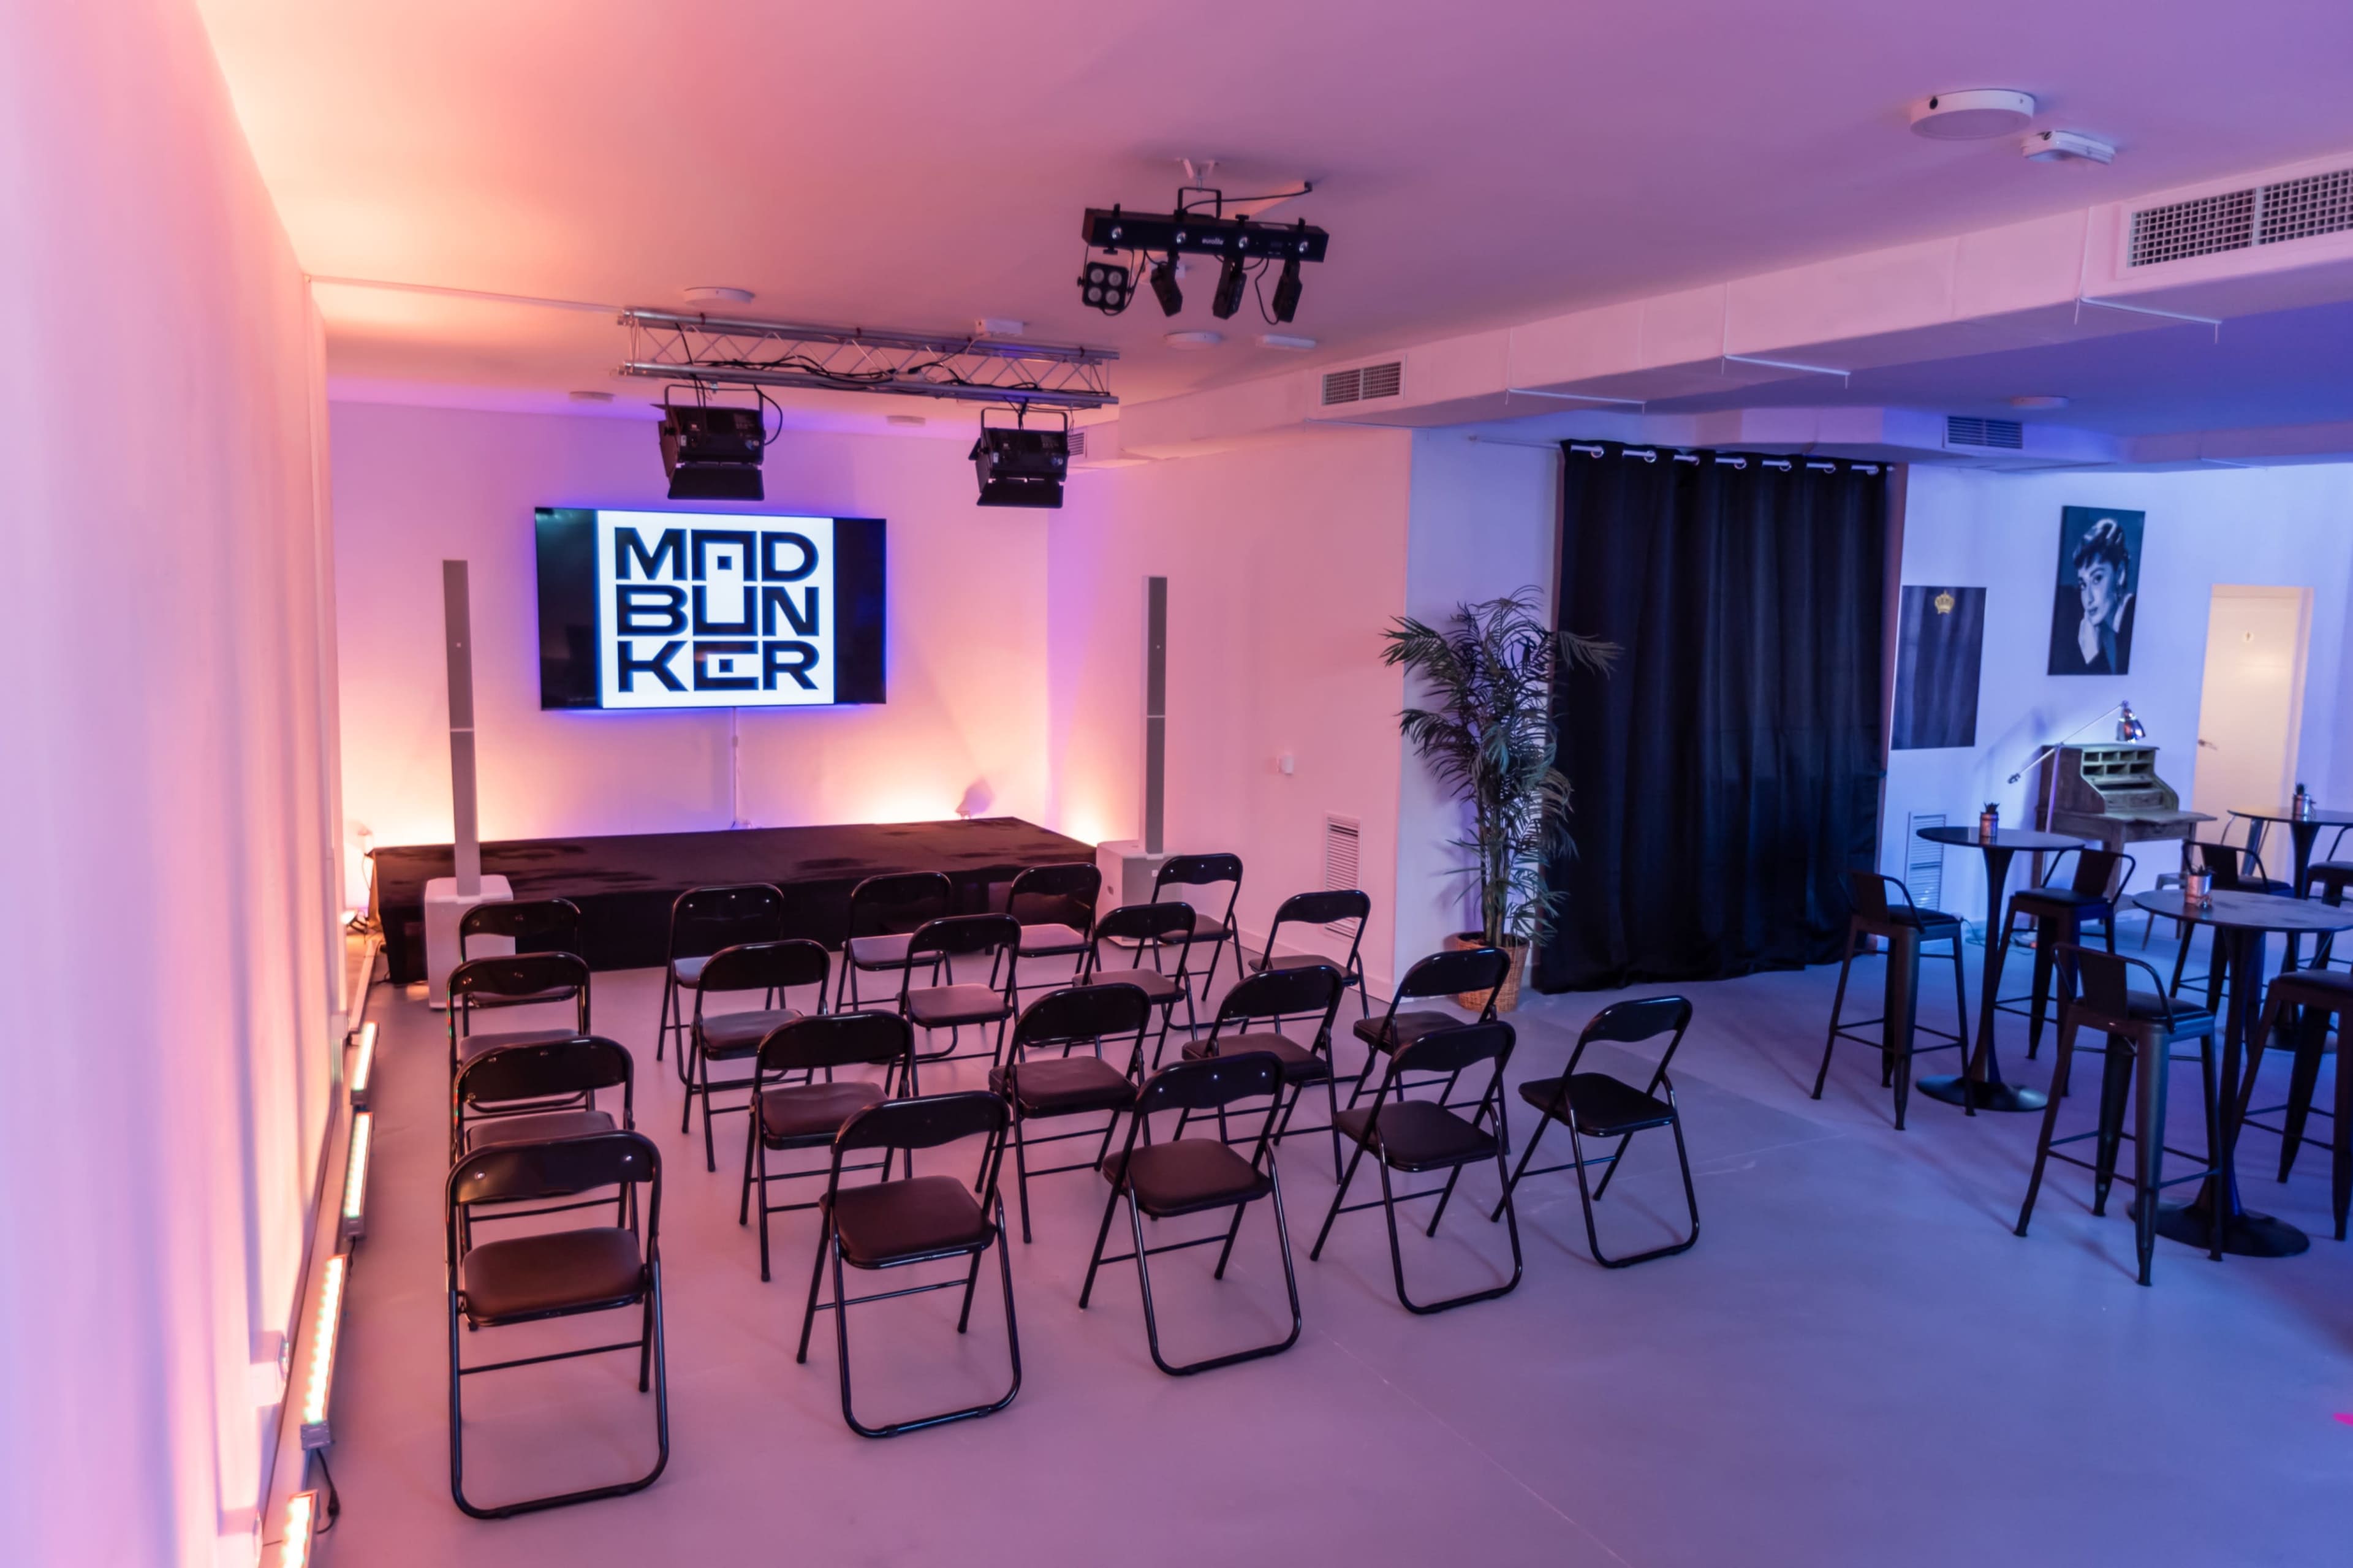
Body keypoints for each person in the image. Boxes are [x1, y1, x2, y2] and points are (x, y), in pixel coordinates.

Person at [2048, 517, 2134, 674]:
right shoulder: (2106, 626)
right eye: (2083, 584)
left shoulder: (2132, 621)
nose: (2088, 599)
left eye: (2097, 579)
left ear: (2120, 574)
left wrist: (2094, 657)